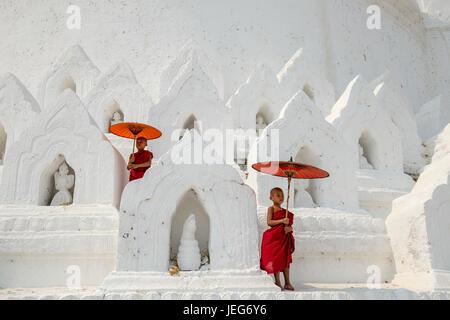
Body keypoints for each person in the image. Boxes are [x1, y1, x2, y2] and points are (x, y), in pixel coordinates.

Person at [260, 187, 295, 291]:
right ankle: (277, 281)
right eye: (278, 195)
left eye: (282, 195)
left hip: (284, 238)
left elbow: (289, 226)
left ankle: (287, 282)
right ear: (271, 198)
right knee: (276, 260)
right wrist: (282, 220)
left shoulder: (285, 212)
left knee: (285, 260)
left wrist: (289, 228)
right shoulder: (271, 209)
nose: (281, 197)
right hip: (274, 238)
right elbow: (269, 222)